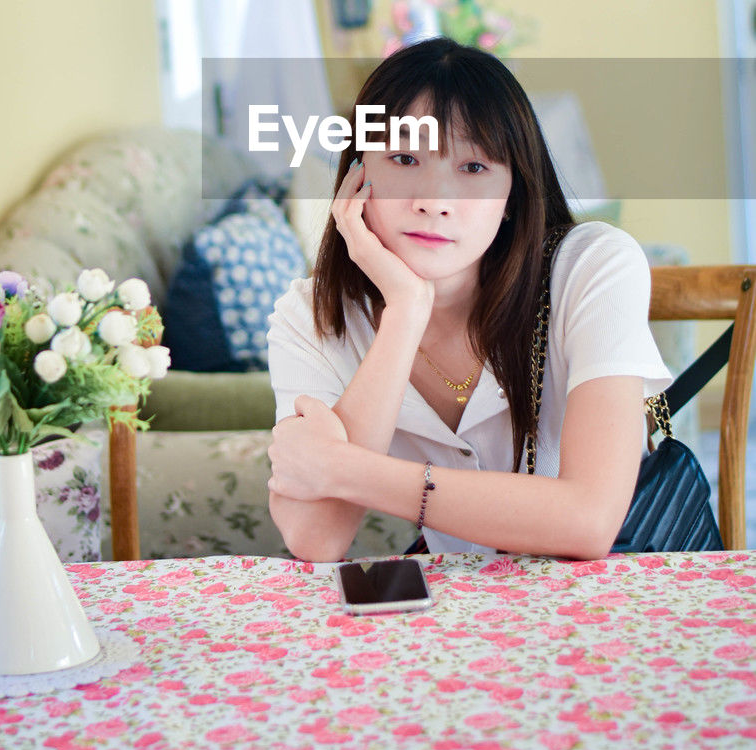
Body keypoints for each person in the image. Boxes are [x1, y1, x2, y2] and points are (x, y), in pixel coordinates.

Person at [266, 39, 671, 563]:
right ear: (356, 174)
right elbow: (317, 537)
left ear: (512, 196)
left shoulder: (592, 267)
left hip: (617, 608)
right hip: (459, 625)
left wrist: (343, 469)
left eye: (474, 168)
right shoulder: (311, 316)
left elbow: (588, 522)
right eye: (404, 158)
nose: (434, 201)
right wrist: (406, 313)